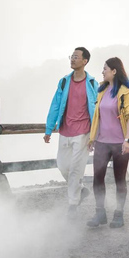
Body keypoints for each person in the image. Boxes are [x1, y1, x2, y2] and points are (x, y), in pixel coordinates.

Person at [86, 57, 129, 228]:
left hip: (120, 143)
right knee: (97, 178)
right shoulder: (101, 91)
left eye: (105, 68)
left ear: (114, 71)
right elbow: (98, 116)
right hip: (102, 142)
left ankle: (119, 214)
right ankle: (100, 213)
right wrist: (92, 138)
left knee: (119, 180)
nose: (102, 71)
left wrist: (127, 140)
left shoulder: (126, 92)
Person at [44, 47, 98, 218]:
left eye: (76, 57)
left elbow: (97, 111)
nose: (72, 59)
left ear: (85, 61)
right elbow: (55, 105)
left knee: (75, 169)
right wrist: (48, 129)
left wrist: (94, 135)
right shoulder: (64, 82)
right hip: (65, 131)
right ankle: (80, 190)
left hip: (83, 133)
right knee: (62, 165)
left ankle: (72, 205)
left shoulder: (92, 84)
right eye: (71, 56)